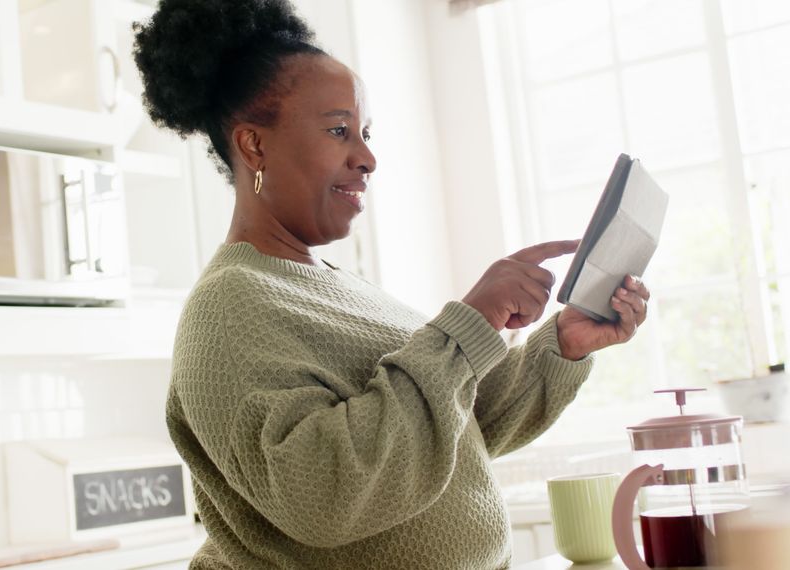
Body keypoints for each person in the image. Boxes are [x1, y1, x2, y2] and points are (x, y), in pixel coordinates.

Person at [133, 1, 650, 568]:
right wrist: (467, 326)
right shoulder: (229, 308)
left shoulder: (345, 289)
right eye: (339, 130)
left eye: (366, 132)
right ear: (255, 145)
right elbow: (323, 496)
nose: (368, 157)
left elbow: (450, 435)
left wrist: (561, 346)